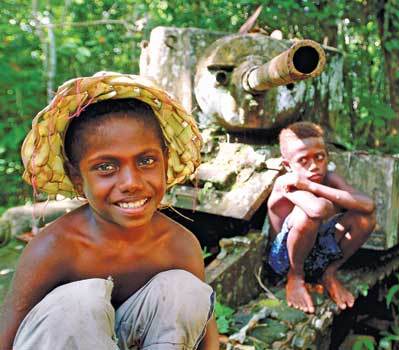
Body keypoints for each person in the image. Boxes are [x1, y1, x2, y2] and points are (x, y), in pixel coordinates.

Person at [0, 73, 219, 349]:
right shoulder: (55, 248)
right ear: (77, 177)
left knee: (185, 290)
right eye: (106, 167)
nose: (131, 183)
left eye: (146, 160)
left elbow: (205, 332)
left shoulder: (179, 245)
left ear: (164, 160)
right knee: (77, 303)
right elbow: (8, 334)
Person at [267, 121, 376, 313]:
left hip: (314, 253)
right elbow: (317, 210)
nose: (314, 166)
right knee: (306, 216)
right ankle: (295, 278)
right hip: (283, 260)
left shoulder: (327, 179)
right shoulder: (286, 182)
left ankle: (329, 273)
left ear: (327, 157)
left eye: (319, 157)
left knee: (365, 220)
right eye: (303, 161)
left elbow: (368, 205)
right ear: (287, 165)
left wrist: (313, 187)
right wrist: (324, 195)